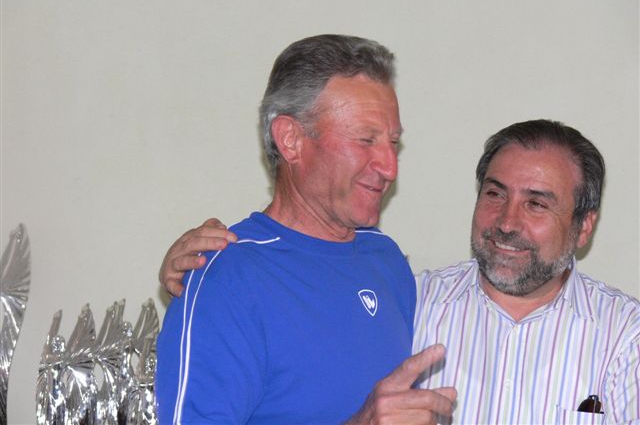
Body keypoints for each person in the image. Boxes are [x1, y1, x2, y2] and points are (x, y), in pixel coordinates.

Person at [161, 119, 640, 424]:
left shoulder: (625, 336)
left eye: (536, 204)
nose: (507, 222)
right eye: (495, 194)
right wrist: (210, 263)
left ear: (583, 226)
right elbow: (303, 295)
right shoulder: (405, 299)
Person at [155, 34, 456, 425]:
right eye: (365, 140)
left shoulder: (385, 260)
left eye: (393, 143)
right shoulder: (228, 280)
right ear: (291, 140)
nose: (389, 167)